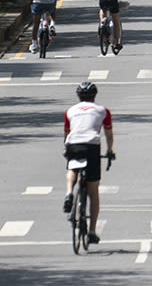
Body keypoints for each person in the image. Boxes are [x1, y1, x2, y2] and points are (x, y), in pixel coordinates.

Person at [61, 81, 114, 244]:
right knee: (93, 190)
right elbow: (108, 134)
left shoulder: (70, 111)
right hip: (92, 146)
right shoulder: (102, 111)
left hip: (73, 144)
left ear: (78, 96)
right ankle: (92, 230)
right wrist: (110, 151)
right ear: (94, 96)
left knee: (72, 168)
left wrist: (66, 149)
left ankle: (69, 192)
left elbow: (67, 133)